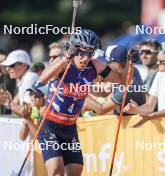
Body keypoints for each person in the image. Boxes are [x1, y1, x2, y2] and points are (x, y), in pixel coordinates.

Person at [36, 29, 135, 176]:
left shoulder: (95, 66)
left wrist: (130, 63)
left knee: (75, 171)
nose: (85, 58)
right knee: (57, 169)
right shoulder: (64, 62)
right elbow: (42, 79)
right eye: (82, 53)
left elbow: (122, 81)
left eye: (90, 53)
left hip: (69, 129)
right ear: (74, 50)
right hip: (49, 125)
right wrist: (65, 56)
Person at [83, 45, 146, 115]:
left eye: (106, 63)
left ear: (115, 65)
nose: (103, 67)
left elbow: (102, 110)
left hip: (134, 123)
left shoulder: (129, 84)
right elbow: (104, 92)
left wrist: (84, 97)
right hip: (122, 119)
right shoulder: (121, 73)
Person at [0, 49, 39, 117]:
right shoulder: (25, 79)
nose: (7, 69)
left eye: (12, 65)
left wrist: (7, 103)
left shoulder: (30, 78)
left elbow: (29, 112)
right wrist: (9, 103)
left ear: (24, 66)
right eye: (7, 66)